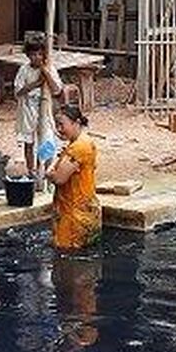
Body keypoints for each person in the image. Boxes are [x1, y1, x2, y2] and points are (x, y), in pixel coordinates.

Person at [46, 105, 101, 250]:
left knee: (70, 260)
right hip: (80, 212)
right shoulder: (80, 143)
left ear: (76, 123)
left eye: (61, 124)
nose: (58, 129)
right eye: (57, 124)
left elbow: (59, 178)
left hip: (74, 216)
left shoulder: (79, 147)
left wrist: (49, 172)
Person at [13, 37, 64, 173]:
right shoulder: (24, 70)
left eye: (40, 54)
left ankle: (46, 170)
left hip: (45, 110)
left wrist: (46, 73)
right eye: (33, 54)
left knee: (47, 141)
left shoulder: (49, 68)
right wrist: (35, 84)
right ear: (28, 55)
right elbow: (18, 92)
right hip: (27, 110)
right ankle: (31, 171)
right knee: (28, 142)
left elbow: (57, 90)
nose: (36, 57)